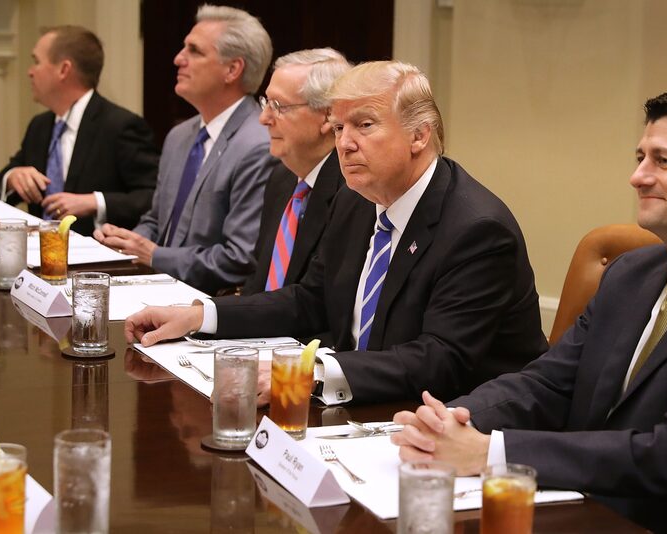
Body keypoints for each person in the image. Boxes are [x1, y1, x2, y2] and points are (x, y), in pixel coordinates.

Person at [392, 87, 667, 533]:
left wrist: (488, 453)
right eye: (640, 157)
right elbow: (548, 382)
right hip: (574, 506)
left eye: (663, 161)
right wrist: (452, 420)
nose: (638, 176)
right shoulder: (631, 273)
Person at [124, 60, 547, 406]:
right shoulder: (356, 198)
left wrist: (309, 374)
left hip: (454, 419)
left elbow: (441, 358)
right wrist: (201, 315)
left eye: (364, 125)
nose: (344, 143)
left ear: (420, 135)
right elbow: (311, 299)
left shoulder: (477, 230)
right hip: (366, 404)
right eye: (340, 127)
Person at [94, 5, 276, 294]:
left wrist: (153, 254)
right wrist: (124, 241)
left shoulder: (259, 145)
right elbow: (156, 221)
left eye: (195, 51)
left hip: (209, 304)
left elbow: (239, 259)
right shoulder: (179, 136)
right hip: (154, 287)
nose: (178, 59)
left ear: (232, 69)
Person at [0, 25, 159, 237]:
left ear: (63, 69)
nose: (30, 72)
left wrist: (95, 202)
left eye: (36, 62)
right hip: (38, 256)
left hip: (98, 257)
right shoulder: (39, 126)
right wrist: (12, 177)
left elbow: (154, 197)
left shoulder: (120, 126)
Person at [240, 48, 349, 296]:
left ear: (327, 117)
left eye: (278, 106)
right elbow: (258, 281)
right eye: (266, 102)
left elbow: (315, 300)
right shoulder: (281, 178)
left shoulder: (352, 191)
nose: (264, 118)